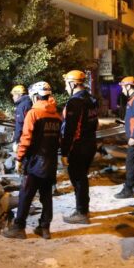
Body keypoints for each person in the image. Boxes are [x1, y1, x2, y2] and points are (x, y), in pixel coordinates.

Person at [3, 81, 62, 239]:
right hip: (50, 162)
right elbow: (58, 140)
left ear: (36, 96)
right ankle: (44, 228)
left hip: (35, 162)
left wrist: (19, 158)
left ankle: (18, 227)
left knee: (26, 193)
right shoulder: (56, 114)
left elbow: (26, 138)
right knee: (46, 195)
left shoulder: (34, 113)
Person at [60, 70, 99, 224]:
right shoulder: (91, 98)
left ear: (73, 83)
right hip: (90, 142)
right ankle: (83, 209)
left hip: (79, 145)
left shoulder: (75, 102)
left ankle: (81, 212)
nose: (65, 88)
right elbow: (95, 122)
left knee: (78, 178)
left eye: (66, 84)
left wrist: (64, 151)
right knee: (82, 177)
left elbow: (70, 129)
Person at [11, 85, 33, 153]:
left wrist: (16, 140)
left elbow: (20, 125)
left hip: (25, 140)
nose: (13, 97)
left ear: (19, 94)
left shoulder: (22, 106)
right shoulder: (29, 102)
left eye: (14, 95)